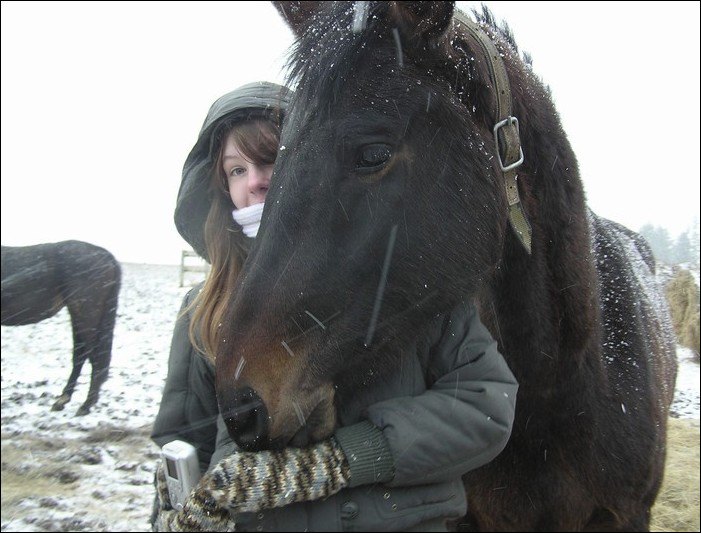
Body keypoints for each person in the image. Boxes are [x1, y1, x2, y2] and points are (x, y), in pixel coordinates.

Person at [150, 80, 519, 532]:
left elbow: (485, 403)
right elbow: (185, 443)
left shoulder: (409, 277)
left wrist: (345, 460)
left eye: (271, 160)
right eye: (236, 170)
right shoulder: (202, 310)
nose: (256, 182)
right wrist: (176, 515)